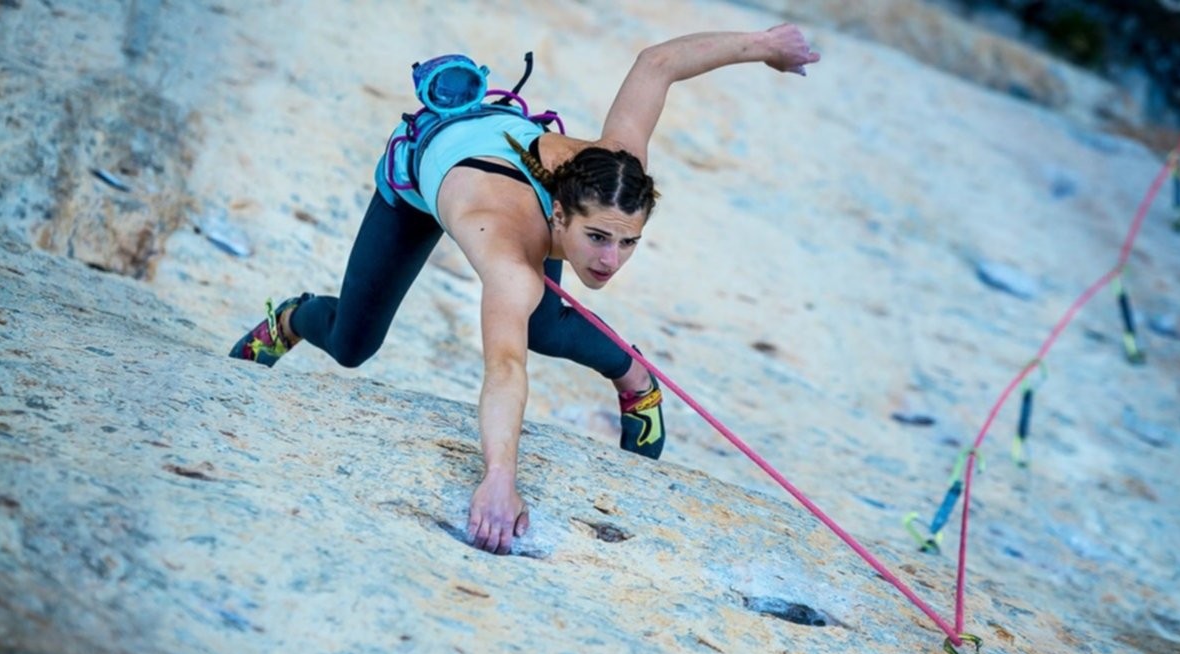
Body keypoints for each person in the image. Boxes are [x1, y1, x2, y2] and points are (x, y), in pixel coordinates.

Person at [229, 25, 820, 555]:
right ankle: (292, 318)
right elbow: (505, 367)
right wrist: (498, 477)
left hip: (513, 163)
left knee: (543, 321)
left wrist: (765, 46)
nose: (610, 261)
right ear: (558, 217)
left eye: (628, 243)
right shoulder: (510, 259)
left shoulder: (616, 175)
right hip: (426, 171)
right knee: (352, 344)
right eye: (597, 239)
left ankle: (635, 379)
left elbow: (657, 63)